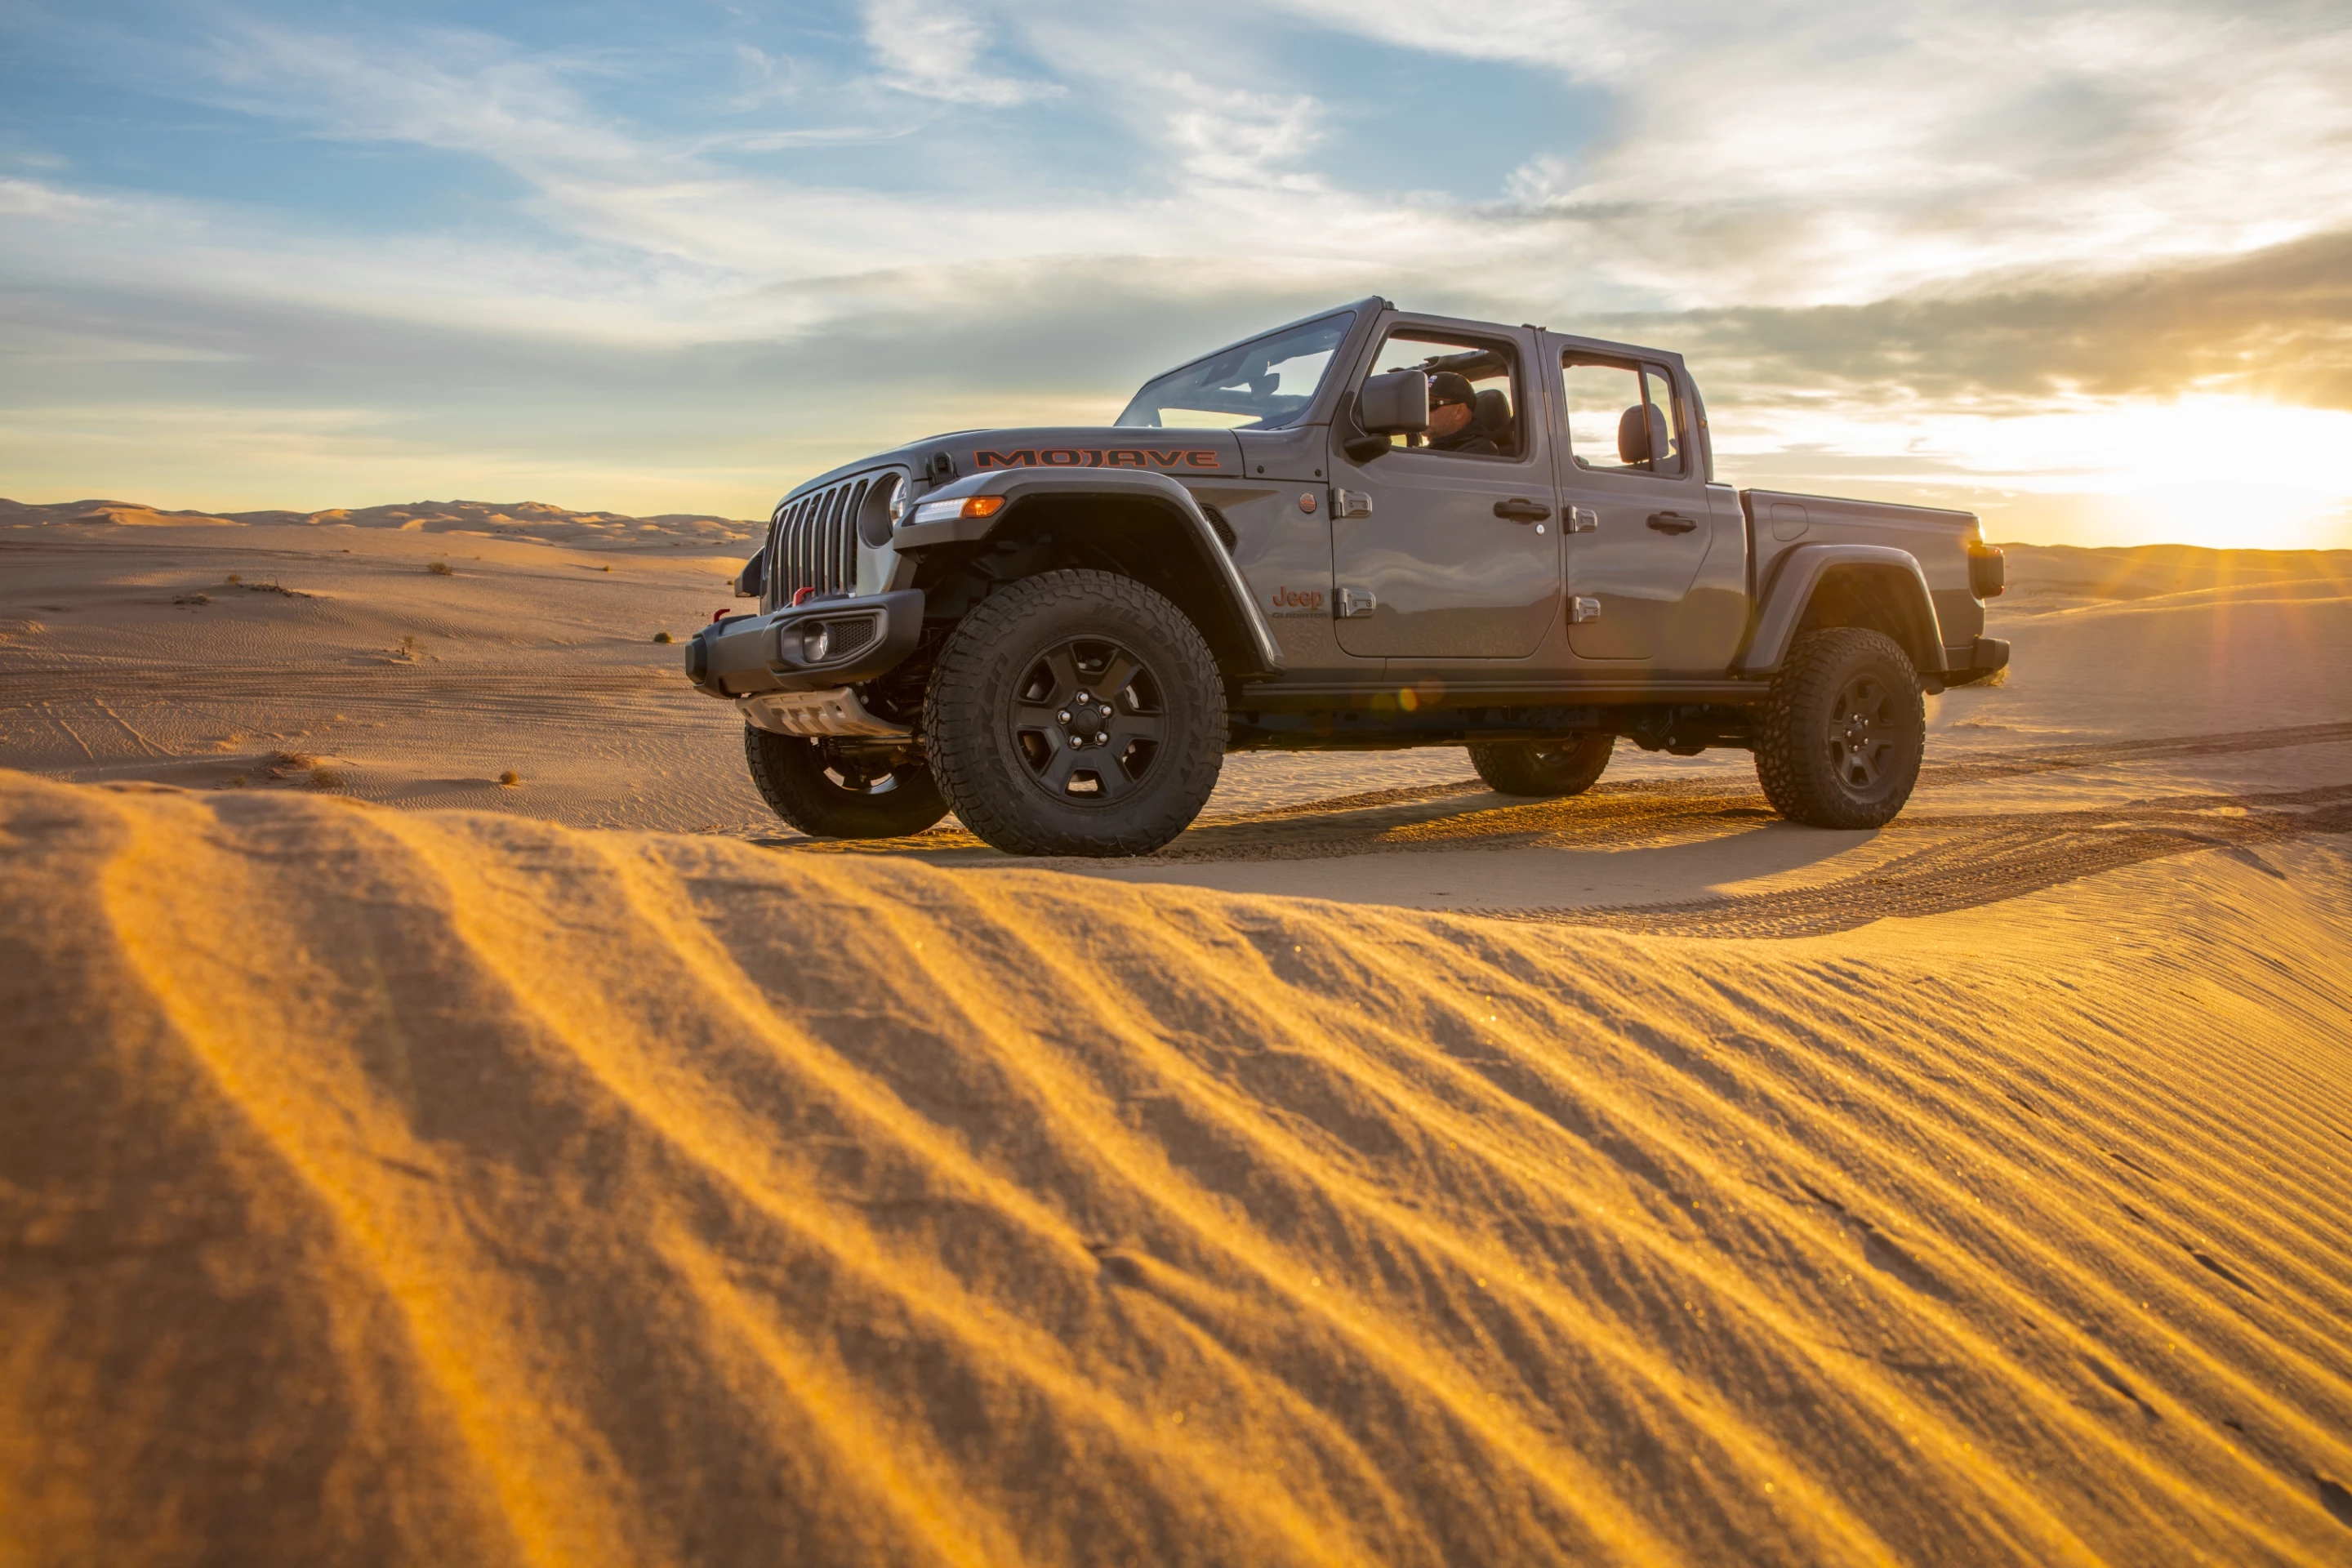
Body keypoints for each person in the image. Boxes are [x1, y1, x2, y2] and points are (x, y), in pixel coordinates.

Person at [1423, 372, 1498, 456]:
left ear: (1459, 411)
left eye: (1430, 404)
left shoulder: (1480, 453)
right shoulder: (1435, 449)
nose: (1423, 411)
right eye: (1422, 403)